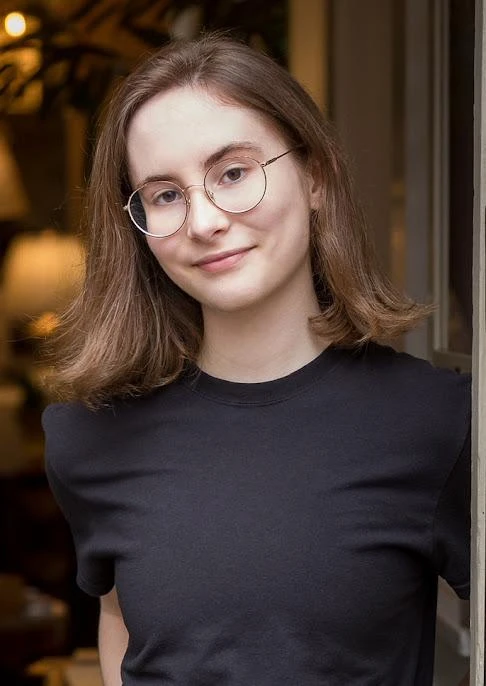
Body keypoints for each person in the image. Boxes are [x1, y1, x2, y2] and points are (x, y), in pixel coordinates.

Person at [42, 33, 471, 686]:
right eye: (165, 194)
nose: (204, 221)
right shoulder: (91, 436)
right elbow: (122, 622)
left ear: (316, 176)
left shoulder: (437, 422)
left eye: (233, 173)